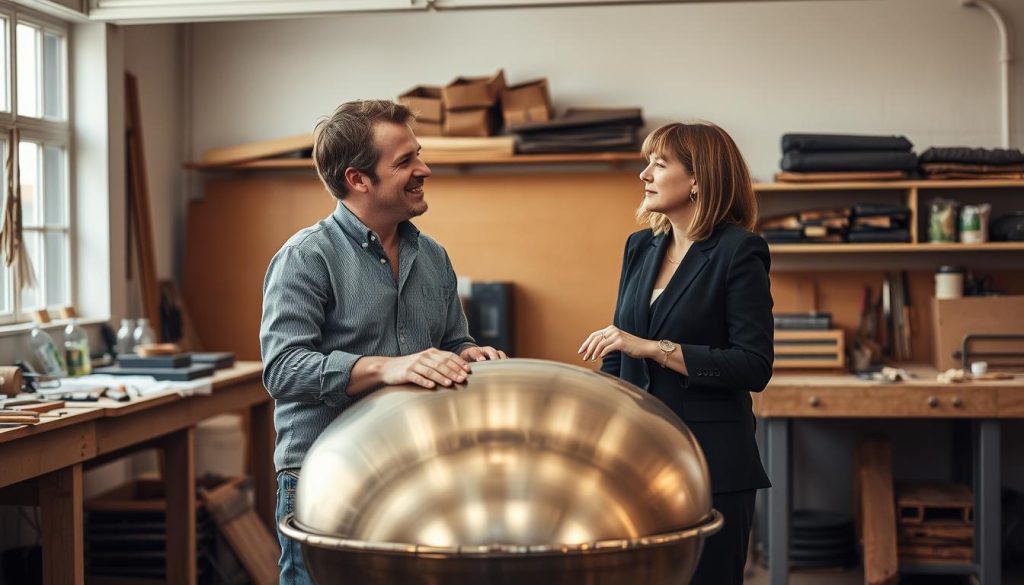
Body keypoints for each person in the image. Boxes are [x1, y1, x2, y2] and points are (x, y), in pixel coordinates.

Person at [260, 99, 507, 584]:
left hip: (416, 474)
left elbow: (454, 339)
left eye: (418, 154)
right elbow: (282, 369)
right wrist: (383, 367)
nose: (424, 169)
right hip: (326, 477)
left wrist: (468, 353)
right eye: (405, 162)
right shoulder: (306, 258)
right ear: (358, 179)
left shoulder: (432, 255)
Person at [578, 122, 773, 584]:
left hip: (710, 462)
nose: (644, 174)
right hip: (638, 460)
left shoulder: (739, 251)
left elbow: (753, 364)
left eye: (659, 164)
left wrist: (654, 349)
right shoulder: (639, 247)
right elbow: (617, 346)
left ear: (698, 180)